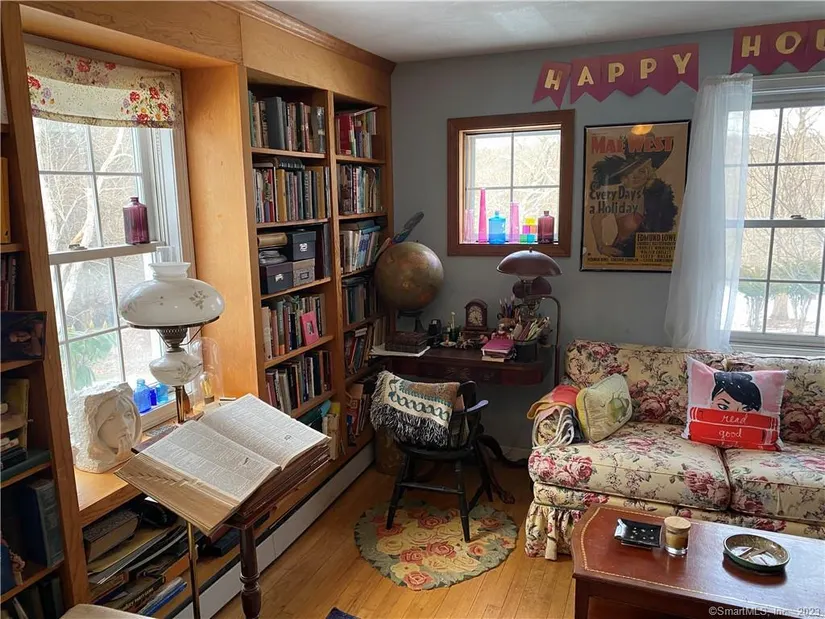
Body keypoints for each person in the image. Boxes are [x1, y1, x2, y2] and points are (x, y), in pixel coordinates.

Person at [589, 131, 678, 259]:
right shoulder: (618, 197)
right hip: (623, 256)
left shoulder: (656, 197)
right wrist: (601, 246)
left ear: (649, 174)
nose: (635, 176)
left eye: (641, 171)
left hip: (650, 257)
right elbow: (596, 219)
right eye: (630, 172)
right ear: (623, 178)